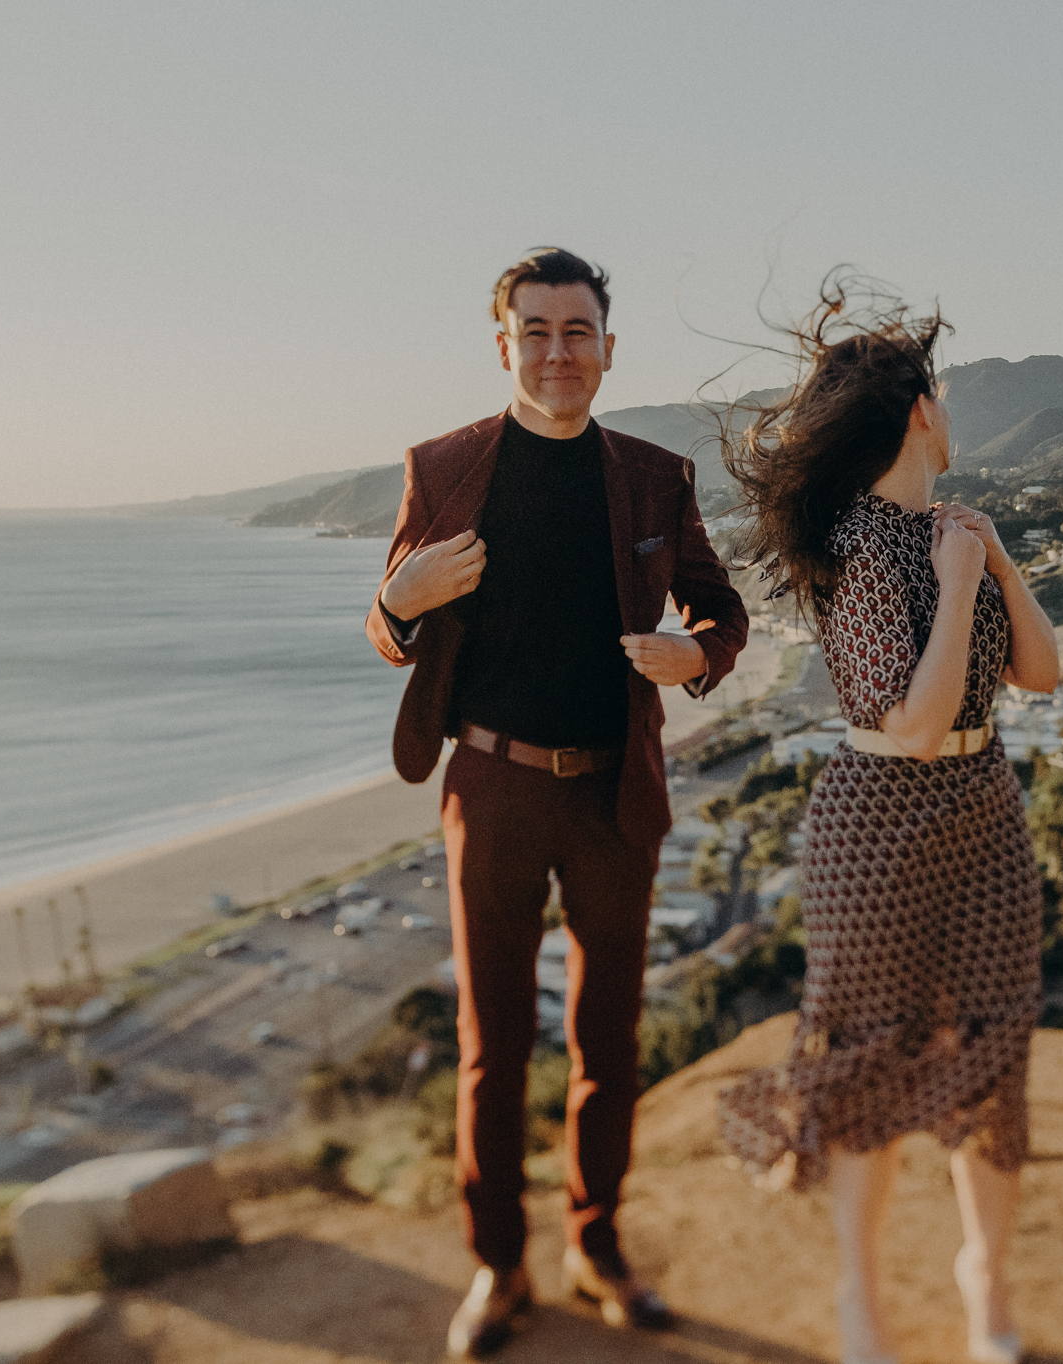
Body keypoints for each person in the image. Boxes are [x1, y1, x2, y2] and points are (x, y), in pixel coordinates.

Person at [366, 248, 748, 1357]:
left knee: (607, 1037)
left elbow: (720, 612)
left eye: (575, 330)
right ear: (504, 347)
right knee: (492, 1045)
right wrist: (395, 597)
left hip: (613, 791)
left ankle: (596, 1243)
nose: (556, 350)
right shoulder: (442, 467)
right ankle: (497, 1264)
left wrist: (698, 655)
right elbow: (390, 624)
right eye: (534, 330)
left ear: (608, 348)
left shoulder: (650, 476)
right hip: (488, 784)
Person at [716, 285, 1058, 1364]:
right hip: (878, 827)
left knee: (993, 1047)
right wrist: (958, 587)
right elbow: (909, 722)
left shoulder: (951, 530)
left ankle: (983, 1280)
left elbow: (1038, 673)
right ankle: (860, 1300)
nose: (951, 417)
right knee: (867, 1063)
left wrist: (994, 561)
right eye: (943, 398)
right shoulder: (863, 546)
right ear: (915, 408)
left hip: (984, 810)